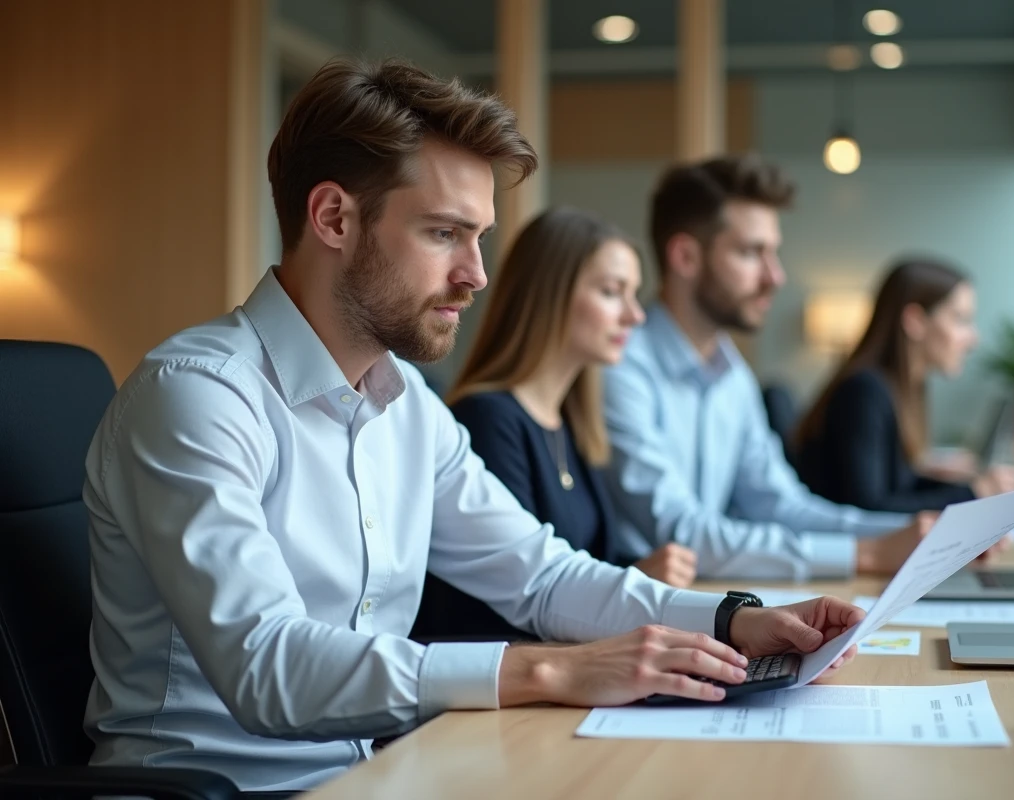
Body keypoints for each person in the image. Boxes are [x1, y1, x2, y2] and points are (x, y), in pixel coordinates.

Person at [81, 59, 863, 792]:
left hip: (382, 770)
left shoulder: (409, 406)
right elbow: (265, 666)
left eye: (479, 236)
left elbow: (543, 576)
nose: (477, 274)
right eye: (444, 233)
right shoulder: (197, 397)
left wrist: (735, 619)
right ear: (332, 218)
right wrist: (550, 670)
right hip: (223, 788)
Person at [603, 155, 944, 581]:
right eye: (752, 253)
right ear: (686, 256)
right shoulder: (620, 365)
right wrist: (866, 553)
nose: (776, 276)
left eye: (773, 253)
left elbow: (779, 505)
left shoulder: (733, 374)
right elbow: (679, 532)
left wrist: (926, 533)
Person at [410, 207, 697, 641]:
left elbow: (591, 556)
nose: (635, 316)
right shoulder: (488, 420)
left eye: (633, 294)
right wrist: (636, 577)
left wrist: (640, 571)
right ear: (551, 296)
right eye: (611, 292)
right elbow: (501, 601)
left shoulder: (572, 422)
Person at [791, 259, 1014, 513]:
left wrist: (970, 487)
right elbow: (870, 506)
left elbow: (898, 486)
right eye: (960, 320)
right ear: (915, 321)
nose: (973, 339)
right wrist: (974, 492)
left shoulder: (898, 388)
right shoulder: (863, 392)